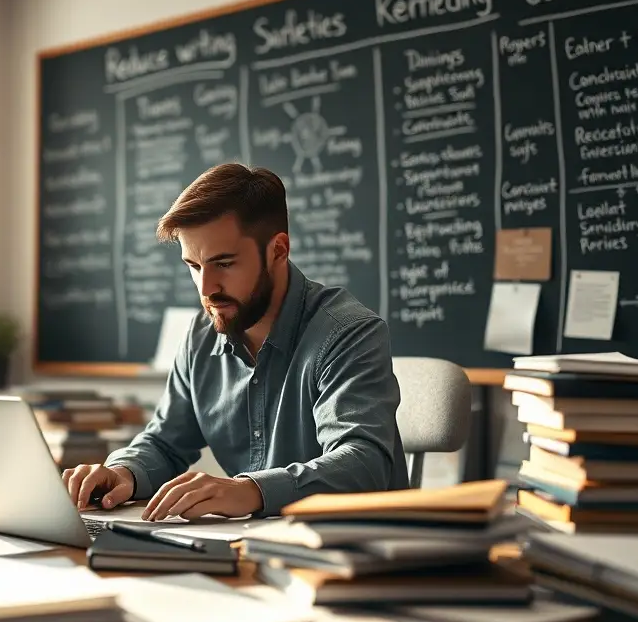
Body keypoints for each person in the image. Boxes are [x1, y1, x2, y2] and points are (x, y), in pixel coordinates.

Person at [62, 163, 408, 522]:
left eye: (223, 264)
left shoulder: (349, 332)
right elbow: (165, 443)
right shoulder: (201, 335)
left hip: (356, 552)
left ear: (278, 250)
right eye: (194, 266)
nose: (206, 288)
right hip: (256, 548)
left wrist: (250, 491)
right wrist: (122, 474)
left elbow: (363, 465)